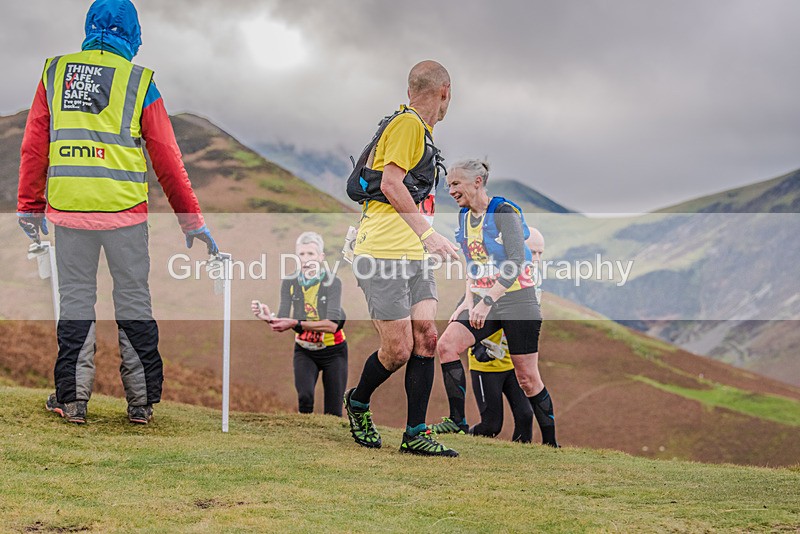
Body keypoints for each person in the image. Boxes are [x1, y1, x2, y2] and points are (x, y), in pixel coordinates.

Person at [17, 0, 218, 425]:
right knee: (133, 300)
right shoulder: (139, 81)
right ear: (133, 33)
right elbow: (167, 156)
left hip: (69, 212)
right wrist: (191, 220)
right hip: (125, 215)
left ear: (90, 27)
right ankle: (141, 405)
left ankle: (72, 401)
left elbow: (35, 144)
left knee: (75, 302)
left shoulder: (55, 73)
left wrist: (30, 206)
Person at [342, 60, 460, 456]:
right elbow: (391, 183)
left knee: (426, 336)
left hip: (413, 254)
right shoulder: (408, 125)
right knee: (397, 350)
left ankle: (415, 434)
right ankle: (358, 402)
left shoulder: (419, 132)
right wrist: (429, 234)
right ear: (444, 91)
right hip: (382, 252)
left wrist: (426, 240)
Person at [435, 160, 559, 447]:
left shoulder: (505, 212)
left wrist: (486, 301)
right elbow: (473, 264)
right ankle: (457, 420)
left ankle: (552, 444)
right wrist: (467, 303)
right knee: (447, 346)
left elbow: (516, 261)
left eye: (456, 184)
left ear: (478, 182)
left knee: (527, 377)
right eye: (449, 184)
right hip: (483, 300)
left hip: (518, 301)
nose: (450, 190)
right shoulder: (464, 216)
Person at [448, 228, 549, 443]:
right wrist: (478, 345)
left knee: (525, 415)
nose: (537, 259)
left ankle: (525, 464)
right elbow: (470, 307)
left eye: (541, 253)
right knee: (491, 426)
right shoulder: (494, 279)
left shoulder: (533, 283)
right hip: (487, 366)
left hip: (512, 364)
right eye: (533, 252)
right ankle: (459, 438)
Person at [251, 232, 348, 416]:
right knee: (305, 398)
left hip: (334, 352)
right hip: (304, 350)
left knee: (334, 412)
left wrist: (295, 322)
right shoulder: (289, 282)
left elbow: (332, 325)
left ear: (321, 257)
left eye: (311, 254)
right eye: (302, 254)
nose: (306, 259)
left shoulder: (333, 282)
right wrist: (266, 316)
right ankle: (305, 438)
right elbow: (282, 319)